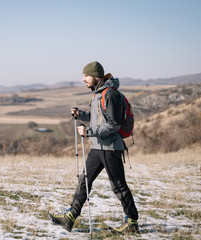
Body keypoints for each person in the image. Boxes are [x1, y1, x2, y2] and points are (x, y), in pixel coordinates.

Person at [48, 61, 139, 234]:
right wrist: (80, 114)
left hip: (110, 148)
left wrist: (88, 131)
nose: (83, 79)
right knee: (84, 181)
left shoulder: (109, 94)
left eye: (86, 76)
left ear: (96, 76)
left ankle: (132, 223)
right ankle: (69, 218)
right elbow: (98, 118)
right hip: (98, 147)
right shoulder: (98, 93)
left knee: (119, 186)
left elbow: (112, 125)